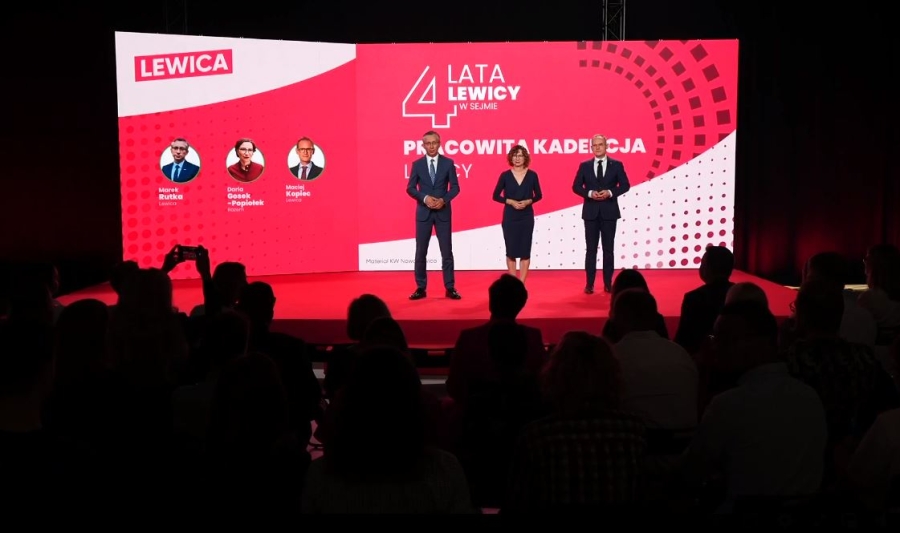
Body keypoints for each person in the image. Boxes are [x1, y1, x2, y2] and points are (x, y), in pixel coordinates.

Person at [405, 131, 461, 300]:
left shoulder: (448, 163)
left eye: (434, 143)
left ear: (439, 144)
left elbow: (455, 187)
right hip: (424, 213)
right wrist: (425, 198)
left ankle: (450, 287)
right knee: (421, 251)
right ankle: (420, 288)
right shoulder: (417, 165)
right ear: (423, 145)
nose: (431, 146)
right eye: (428, 143)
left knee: (447, 251)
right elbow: (410, 188)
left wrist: (443, 200)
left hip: (443, 213)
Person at [572, 134, 630, 294]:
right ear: (591, 148)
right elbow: (576, 186)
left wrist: (610, 192)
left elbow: (625, 185)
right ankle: (589, 284)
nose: (597, 148)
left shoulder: (616, 165)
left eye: (600, 145)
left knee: (608, 249)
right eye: (594, 145)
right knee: (591, 250)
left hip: (609, 212)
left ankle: (608, 283)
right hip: (590, 213)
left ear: (606, 146)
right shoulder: (584, 166)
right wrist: (590, 193)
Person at [492, 144, 543, 283]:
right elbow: (495, 196)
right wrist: (510, 201)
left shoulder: (532, 175)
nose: (517, 158)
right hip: (510, 217)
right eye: (515, 155)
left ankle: (522, 284)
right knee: (511, 251)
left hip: (526, 217)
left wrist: (528, 201)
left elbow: (539, 195)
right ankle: (513, 284)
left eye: (520, 155)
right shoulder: (505, 175)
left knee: (525, 251)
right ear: (511, 158)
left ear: (525, 157)